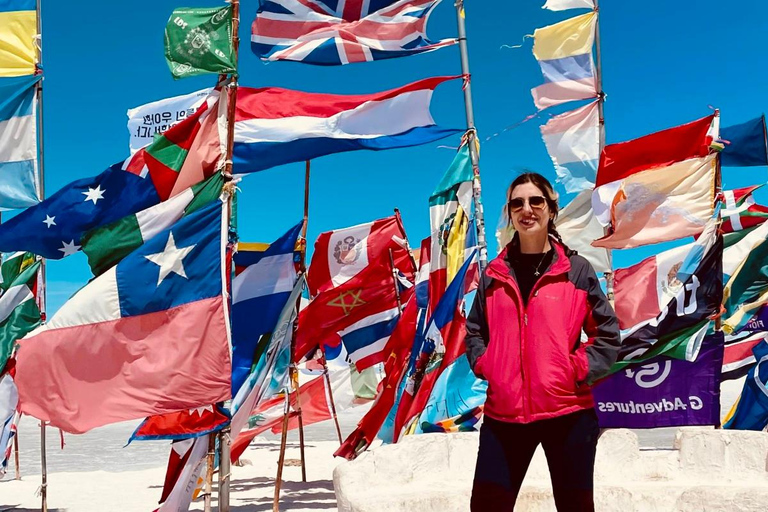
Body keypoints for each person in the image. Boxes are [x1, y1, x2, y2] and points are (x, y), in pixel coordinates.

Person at [465, 172, 621, 512]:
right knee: (487, 506)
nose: (527, 209)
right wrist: (487, 364)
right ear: (509, 212)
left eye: (536, 201)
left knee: (575, 506)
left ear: (551, 209)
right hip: (503, 416)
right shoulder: (493, 275)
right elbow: (475, 330)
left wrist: (573, 368)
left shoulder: (576, 270)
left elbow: (606, 335)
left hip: (568, 413)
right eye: (517, 203)